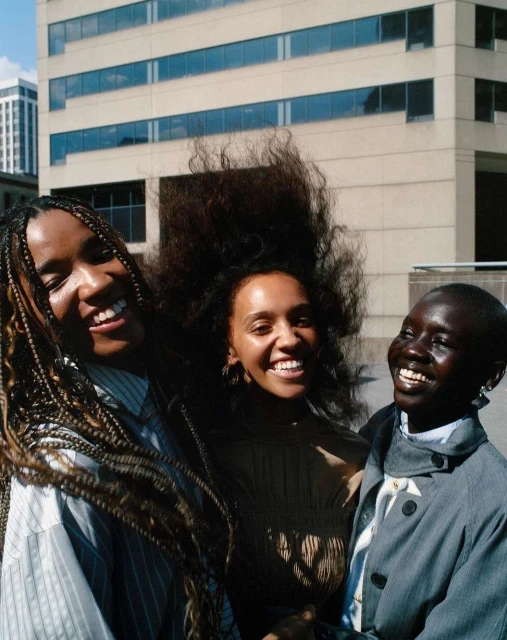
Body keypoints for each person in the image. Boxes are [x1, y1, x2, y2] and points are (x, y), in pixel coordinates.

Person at [148, 135, 370, 639]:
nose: (288, 339)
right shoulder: (198, 457)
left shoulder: (358, 460)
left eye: (302, 319)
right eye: (262, 325)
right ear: (227, 345)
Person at [0, 195, 240, 640]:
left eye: (99, 253)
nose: (96, 282)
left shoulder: (156, 399)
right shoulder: (64, 470)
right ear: (22, 322)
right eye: (54, 282)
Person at [338, 283, 507, 639]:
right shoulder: (375, 432)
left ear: (490, 376)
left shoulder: (495, 502)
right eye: (407, 332)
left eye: (441, 342)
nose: (413, 349)